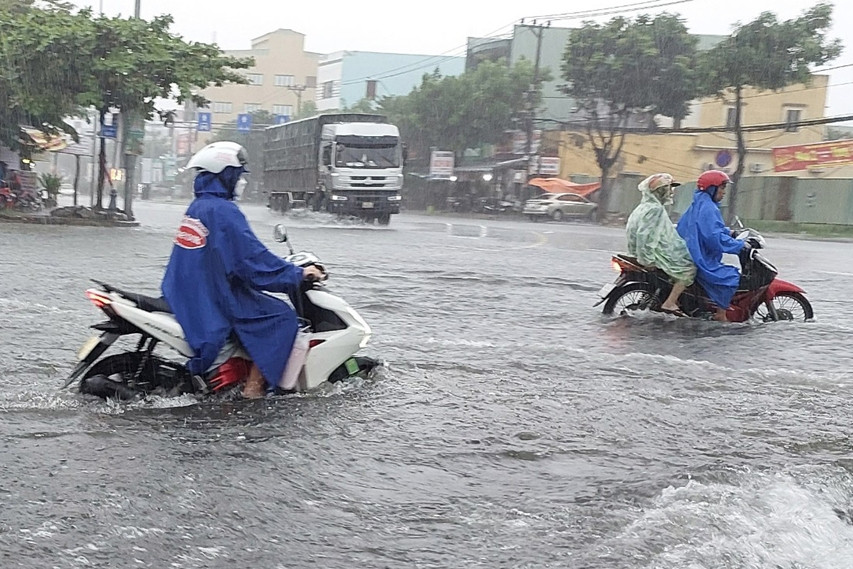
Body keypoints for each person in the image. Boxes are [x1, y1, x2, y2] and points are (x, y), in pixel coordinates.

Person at [161, 141, 324, 398]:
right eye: (238, 175)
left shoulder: (199, 206)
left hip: (188, 290)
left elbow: (237, 256)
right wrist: (297, 274)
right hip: (215, 295)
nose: (242, 182)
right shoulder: (224, 211)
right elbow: (252, 261)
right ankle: (253, 389)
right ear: (225, 175)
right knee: (281, 316)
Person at [676, 170, 752, 322]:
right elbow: (713, 238)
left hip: (694, 251)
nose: (724, 192)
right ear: (711, 188)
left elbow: (709, 228)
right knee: (731, 277)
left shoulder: (700, 202)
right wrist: (738, 246)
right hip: (700, 256)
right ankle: (720, 314)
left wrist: (728, 232)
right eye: (722, 188)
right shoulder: (709, 208)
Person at [626, 173, 697, 317]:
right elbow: (644, 235)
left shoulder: (644, 206)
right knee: (690, 267)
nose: (671, 192)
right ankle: (670, 302)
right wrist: (648, 260)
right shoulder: (655, 209)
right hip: (654, 253)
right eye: (669, 189)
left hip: (640, 252)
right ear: (660, 191)